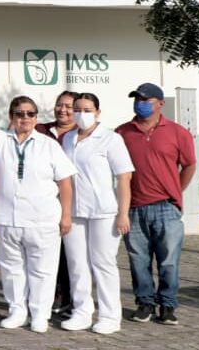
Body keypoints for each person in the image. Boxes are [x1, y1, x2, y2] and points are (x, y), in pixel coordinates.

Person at [0, 92, 76, 333]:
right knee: (11, 268)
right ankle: (17, 310)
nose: (25, 118)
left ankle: (40, 314)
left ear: (36, 117)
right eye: (19, 114)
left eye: (30, 114)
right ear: (11, 117)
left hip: (42, 219)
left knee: (43, 270)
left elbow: (65, 183)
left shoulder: (48, 144)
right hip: (6, 218)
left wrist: (67, 215)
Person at [117, 83, 196, 325]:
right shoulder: (122, 132)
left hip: (166, 208)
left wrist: (175, 193)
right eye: (137, 99)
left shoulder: (177, 132)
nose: (139, 103)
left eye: (145, 99)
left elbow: (189, 164)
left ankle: (168, 306)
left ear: (160, 103)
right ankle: (145, 303)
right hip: (134, 208)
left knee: (169, 261)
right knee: (138, 260)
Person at [60, 92, 133, 335]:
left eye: (87, 109)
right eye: (77, 109)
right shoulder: (68, 139)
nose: (81, 114)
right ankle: (82, 312)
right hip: (74, 211)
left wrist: (123, 213)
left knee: (103, 263)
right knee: (77, 264)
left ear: (98, 112)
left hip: (103, 211)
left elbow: (124, 177)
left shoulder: (111, 139)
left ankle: (110, 315)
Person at [36, 90, 78, 315]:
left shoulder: (82, 133)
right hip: (44, 203)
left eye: (69, 106)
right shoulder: (41, 130)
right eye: (59, 105)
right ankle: (51, 296)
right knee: (49, 254)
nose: (63, 110)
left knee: (72, 254)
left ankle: (73, 299)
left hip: (74, 202)